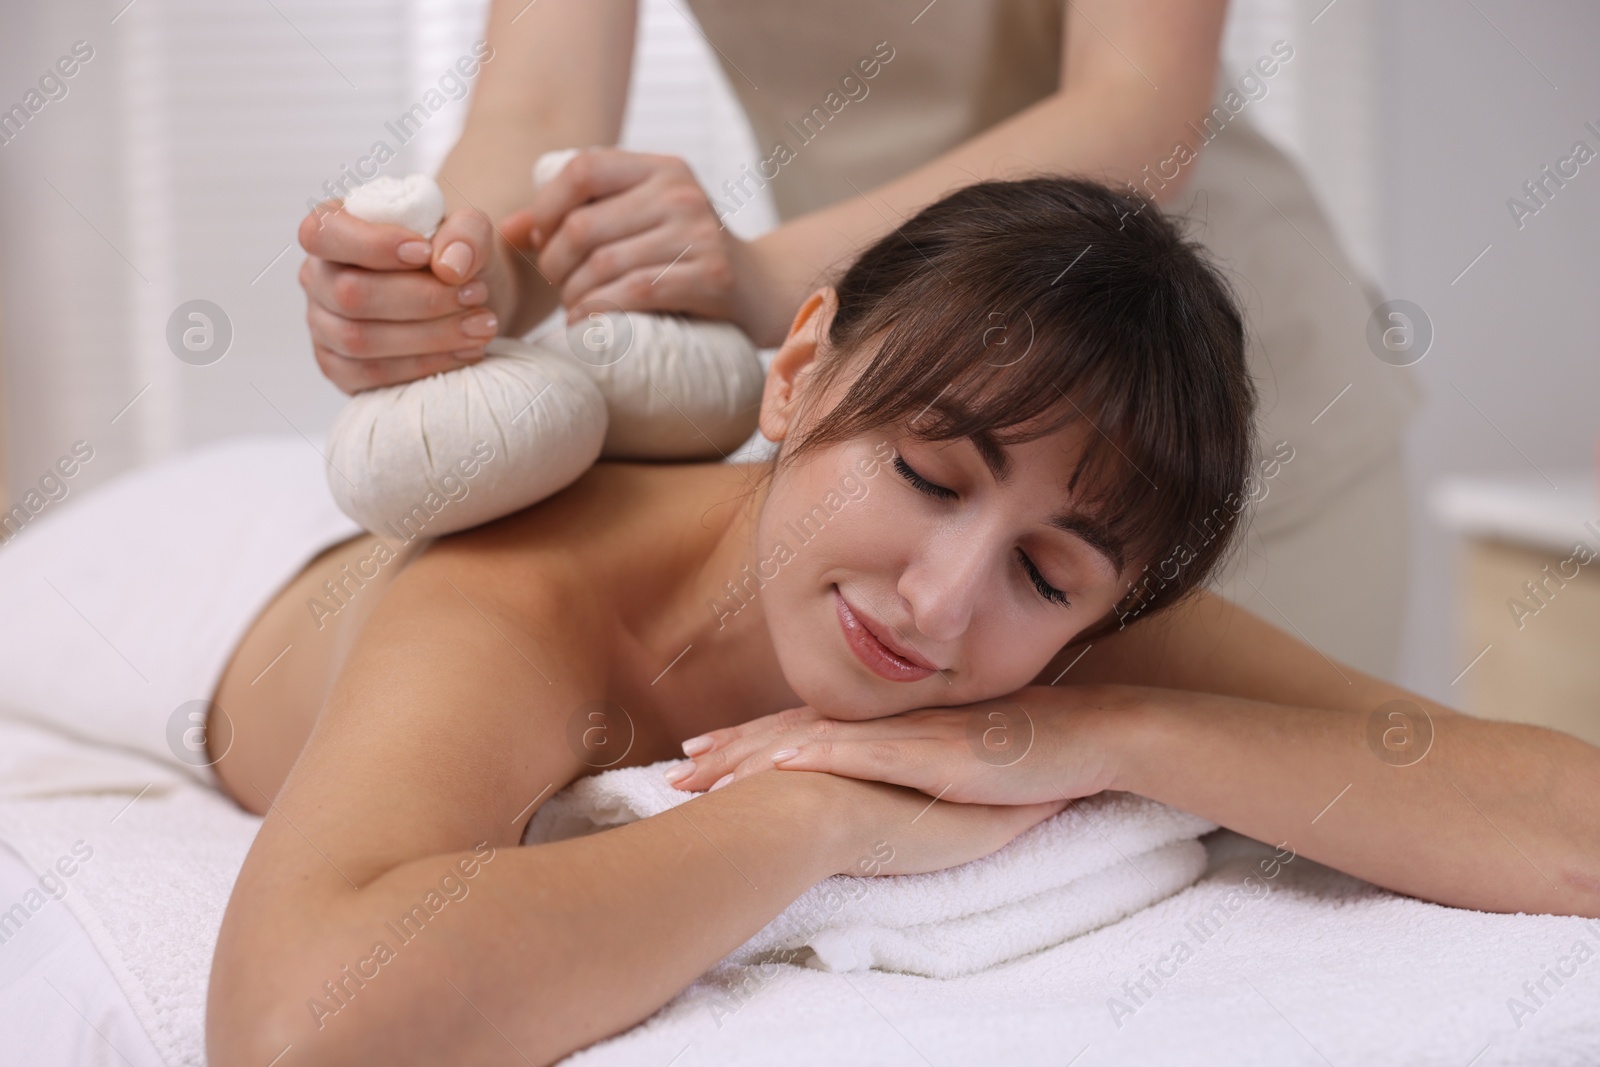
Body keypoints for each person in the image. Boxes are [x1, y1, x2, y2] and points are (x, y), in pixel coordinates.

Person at [207, 178, 1599, 1067]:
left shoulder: (1065, 629)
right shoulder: (515, 596)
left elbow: (1573, 820)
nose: (941, 601)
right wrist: (826, 818)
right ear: (800, 368)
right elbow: (295, 1028)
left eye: (1050, 578)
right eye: (927, 475)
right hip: (233, 569)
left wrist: (1110, 730)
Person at [295, 0, 1420, 682]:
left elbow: (1140, 108)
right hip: (902, 372)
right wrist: (450, 280)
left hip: (1218, 406)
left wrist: (760, 273)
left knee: (1270, 883)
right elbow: (536, 118)